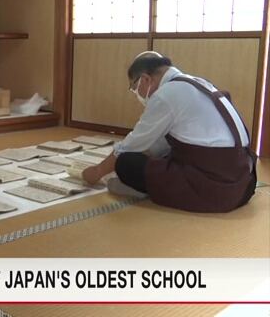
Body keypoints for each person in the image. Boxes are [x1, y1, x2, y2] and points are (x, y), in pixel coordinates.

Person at [81, 51, 257, 213]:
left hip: (214, 187)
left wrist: (96, 172)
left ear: (145, 79)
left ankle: (145, 191)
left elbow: (130, 145)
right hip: (244, 181)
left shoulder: (165, 95)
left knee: (126, 163)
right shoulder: (197, 83)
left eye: (134, 88)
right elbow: (162, 144)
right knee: (158, 156)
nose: (137, 94)